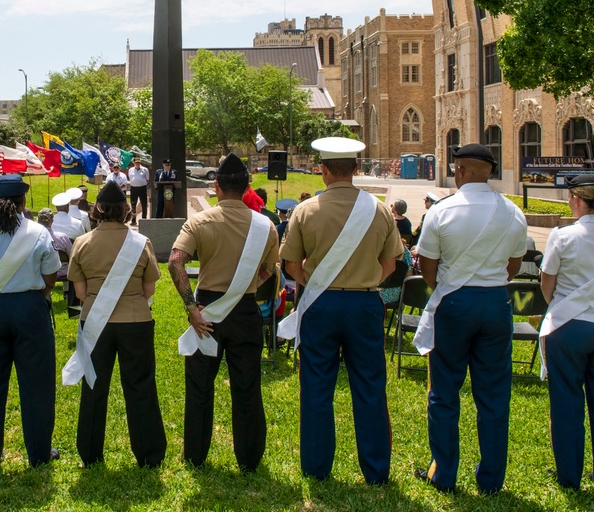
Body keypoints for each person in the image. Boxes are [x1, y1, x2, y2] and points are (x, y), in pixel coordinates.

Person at [279, 136, 403, 485]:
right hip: (364, 302)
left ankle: (317, 469)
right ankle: (376, 470)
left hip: (322, 303)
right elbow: (391, 264)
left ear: (322, 171)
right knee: (370, 385)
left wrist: (318, 283)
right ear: (356, 169)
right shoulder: (378, 209)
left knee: (317, 385)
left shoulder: (305, 211)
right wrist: (364, 281)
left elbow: (290, 265)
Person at [414, 143, 528, 495]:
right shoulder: (513, 213)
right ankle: (491, 479)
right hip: (495, 301)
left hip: (454, 302)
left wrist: (454, 285)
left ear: (459, 171)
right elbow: (512, 267)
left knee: (444, 392)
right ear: (490, 172)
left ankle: (444, 473)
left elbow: (429, 270)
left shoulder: (441, 212)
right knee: (494, 395)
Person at [169, 153, 278, 472]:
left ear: (216, 185)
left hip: (206, 311)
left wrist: (190, 307)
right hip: (244, 308)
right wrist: (247, 285)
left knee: (200, 386)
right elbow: (270, 269)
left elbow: (176, 261)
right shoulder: (266, 225)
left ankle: (195, 455)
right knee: (247, 386)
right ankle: (249, 458)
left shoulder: (200, 221)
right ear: (247, 186)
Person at [64, 181, 166, 468]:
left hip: (96, 322)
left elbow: (81, 294)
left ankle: (91, 453)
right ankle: (149, 454)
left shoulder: (82, 243)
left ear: (97, 209)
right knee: (141, 386)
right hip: (135, 320)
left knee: (94, 386)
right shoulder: (141, 242)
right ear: (125, 210)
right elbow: (149, 290)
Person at [0, 173, 60, 469]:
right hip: (30, 308)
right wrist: (36, 294)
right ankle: (39, 454)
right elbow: (51, 276)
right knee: (37, 384)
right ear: (23, 201)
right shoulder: (39, 232)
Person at [540, 172, 594, 490]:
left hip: (568, 326)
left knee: (566, 404)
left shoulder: (562, 236)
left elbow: (547, 281)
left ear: (575, 200)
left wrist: (557, 306)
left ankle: (569, 476)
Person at [127, 156, 150, 221]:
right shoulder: (131, 170)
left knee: (144, 203)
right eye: (136, 163)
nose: (137, 164)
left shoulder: (145, 169)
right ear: (134, 163)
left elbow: (147, 179)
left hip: (142, 188)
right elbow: (130, 178)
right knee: (133, 204)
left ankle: (144, 218)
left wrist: (141, 183)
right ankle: (133, 220)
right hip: (133, 188)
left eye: (138, 162)